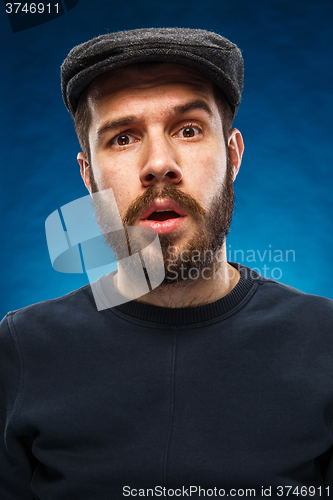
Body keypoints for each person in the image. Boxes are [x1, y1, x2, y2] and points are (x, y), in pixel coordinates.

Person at [1, 28, 333, 500]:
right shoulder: (19, 351)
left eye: (188, 130)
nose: (159, 162)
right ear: (88, 175)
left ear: (233, 155)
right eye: (123, 137)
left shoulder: (326, 343)